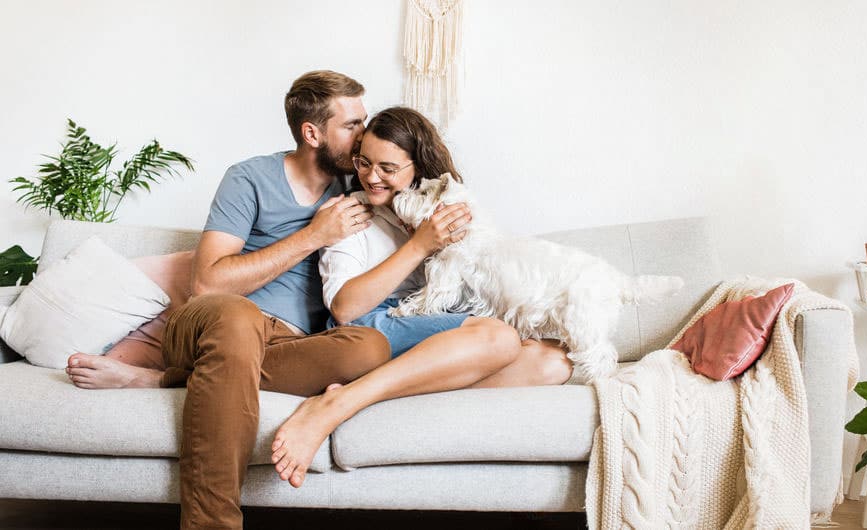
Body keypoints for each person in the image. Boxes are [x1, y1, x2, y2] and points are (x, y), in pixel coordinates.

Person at [66, 70, 392, 530]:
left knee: (370, 347)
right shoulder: (249, 178)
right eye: (352, 125)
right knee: (238, 318)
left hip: (287, 346)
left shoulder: (360, 183)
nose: (364, 136)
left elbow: (417, 173)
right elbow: (208, 284)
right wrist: (314, 235)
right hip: (215, 322)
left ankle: (164, 381)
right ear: (312, 133)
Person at [269, 107, 574, 488]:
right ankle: (336, 404)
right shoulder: (349, 211)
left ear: (418, 166)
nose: (371, 176)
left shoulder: (438, 207)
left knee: (553, 363)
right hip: (370, 329)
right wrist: (418, 246)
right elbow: (345, 308)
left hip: (424, 333)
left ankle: (365, 397)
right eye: (364, 162)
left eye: (387, 168)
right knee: (498, 339)